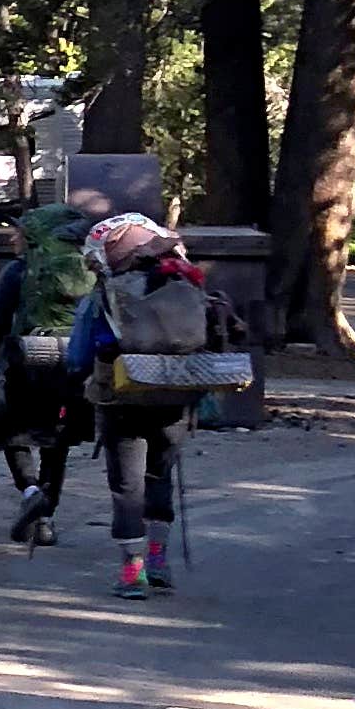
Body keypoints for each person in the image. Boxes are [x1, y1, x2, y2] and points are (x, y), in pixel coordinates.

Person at [67, 210, 238, 596]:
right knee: (160, 477)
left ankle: (133, 573)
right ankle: (160, 562)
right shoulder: (190, 288)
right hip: (176, 398)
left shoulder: (105, 296)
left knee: (127, 486)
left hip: (120, 401)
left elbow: (77, 358)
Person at [0, 195, 97, 548]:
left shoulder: (18, 271)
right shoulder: (91, 269)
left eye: (19, 231)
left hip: (27, 362)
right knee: (57, 440)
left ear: (35, 236)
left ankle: (31, 491)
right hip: (74, 366)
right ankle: (46, 517)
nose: (12, 236)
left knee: (15, 432)